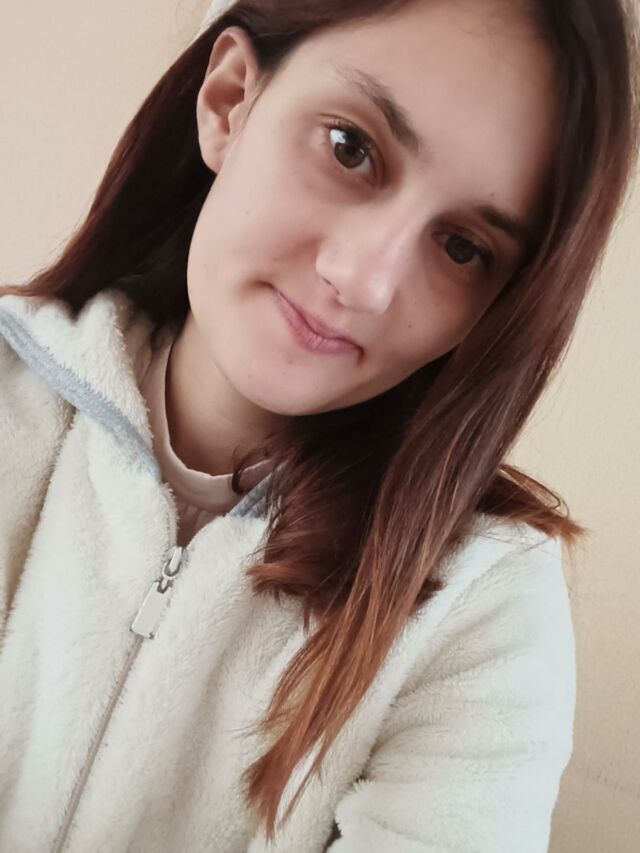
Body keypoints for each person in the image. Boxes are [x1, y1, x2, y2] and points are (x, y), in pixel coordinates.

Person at [0, 0, 638, 850]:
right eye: (350, 147)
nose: (364, 279)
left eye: (461, 247)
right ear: (230, 100)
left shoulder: (482, 606)